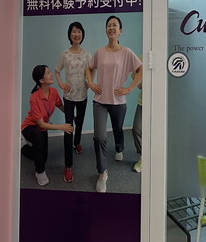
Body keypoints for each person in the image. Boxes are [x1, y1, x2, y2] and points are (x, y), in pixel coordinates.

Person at [86, 15, 142, 193]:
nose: (111, 28)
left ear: (120, 31)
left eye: (114, 25)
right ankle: (102, 173)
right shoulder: (99, 52)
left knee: (118, 130)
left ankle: (119, 148)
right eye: (109, 25)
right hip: (100, 101)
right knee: (99, 137)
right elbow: (89, 68)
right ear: (106, 30)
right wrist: (91, 83)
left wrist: (129, 88)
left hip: (118, 101)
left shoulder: (127, 52)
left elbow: (141, 69)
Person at [20, 65, 72, 188]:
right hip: (30, 127)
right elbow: (41, 124)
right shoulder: (34, 98)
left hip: (43, 128)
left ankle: (23, 146)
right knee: (38, 140)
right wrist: (62, 127)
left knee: (42, 156)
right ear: (41, 80)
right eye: (48, 73)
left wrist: (72, 116)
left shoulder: (53, 92)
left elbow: (60, 106)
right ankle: (40, 172)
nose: (51, 74)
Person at [54, 20, 90, 183]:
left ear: (82, 34)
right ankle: (68, 166)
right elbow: (57, 70)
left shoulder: (87, 54)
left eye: (79, 31)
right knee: (68, 128)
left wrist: (90, 82)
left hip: (83, 96)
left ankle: (77, 143)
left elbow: (92, 70)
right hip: (68, 97)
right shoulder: (65, 54)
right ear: (70, 35)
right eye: (74, 31)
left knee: (79, 122)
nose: (77, 34)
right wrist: (61, 83)